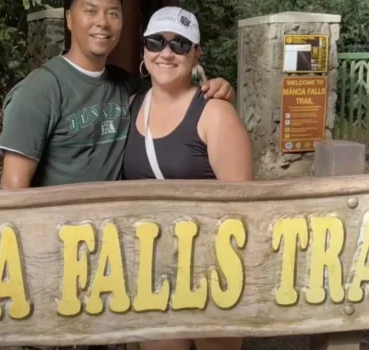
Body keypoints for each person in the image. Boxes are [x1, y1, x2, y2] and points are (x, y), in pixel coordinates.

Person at [0, 0, 235, 190]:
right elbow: (12, 190)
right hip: (61, 237)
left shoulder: (126, 86)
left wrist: (218, 88)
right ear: (69, 19)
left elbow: (172, 90)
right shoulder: (37, 92)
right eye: (91, 10)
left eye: (113, 13)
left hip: (117, 237)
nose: (102, 22)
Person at [121, 6, 252, 350]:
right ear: (143, 50)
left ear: (196, 54)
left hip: (211, 268)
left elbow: (246, 209)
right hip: (152, 268)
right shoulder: (132, 103)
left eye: (180, 44)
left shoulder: (215, 113)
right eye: (156, 42)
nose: (166, 53)